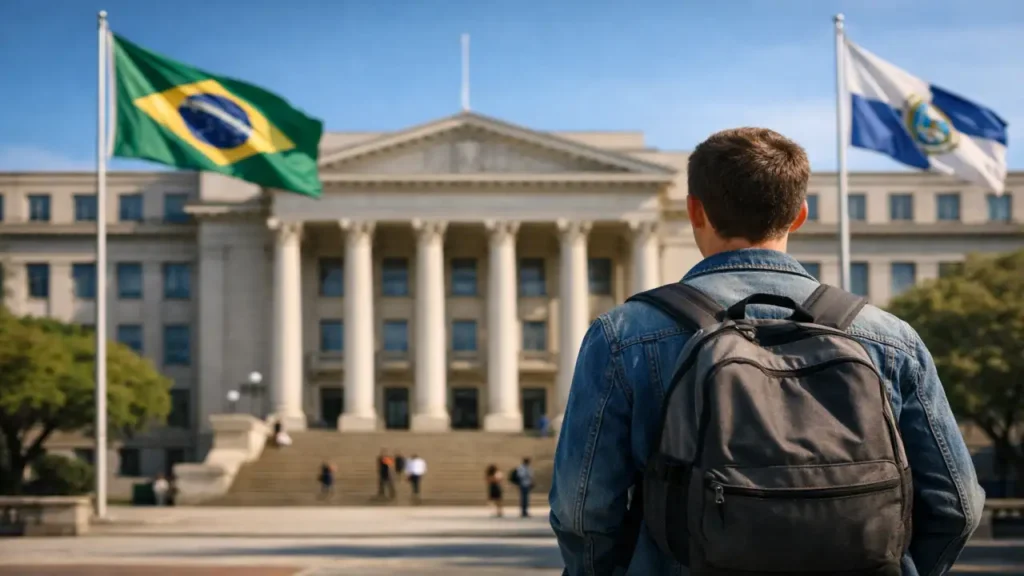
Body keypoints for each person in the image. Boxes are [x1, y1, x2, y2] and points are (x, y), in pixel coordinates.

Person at [549, 127, 985, 575]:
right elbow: (958, 505)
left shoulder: (623, 336)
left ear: (694, 210)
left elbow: (582, 510)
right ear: (799, 215)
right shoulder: (888, 338)